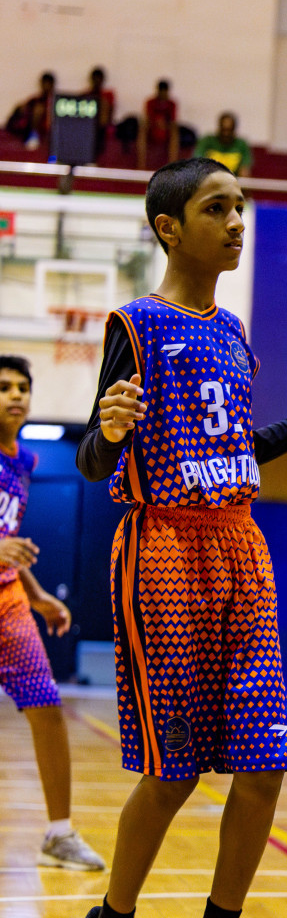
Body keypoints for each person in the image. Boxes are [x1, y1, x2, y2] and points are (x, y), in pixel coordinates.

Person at [74, 157, 287, 918]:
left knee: (264, 761)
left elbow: (230, 445)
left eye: (241, 207)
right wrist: (106, 435)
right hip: (165, 550)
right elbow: (92, 456)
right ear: (169, 228)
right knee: (174, 769)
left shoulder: (235, 332)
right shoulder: (136, 325)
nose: (237, 222)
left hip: (242, 547)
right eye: (216, 209)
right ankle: (113, 912)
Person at [0, 356, 107, 871]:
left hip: (9, 602)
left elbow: (9, 545)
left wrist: (38, 595)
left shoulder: (24, 461)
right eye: (3, 388)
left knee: (47, 707)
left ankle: (59, 833)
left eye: (22, 386)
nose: (15, 395)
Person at [137, 79, 179, 170]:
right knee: (142, 130)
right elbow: (148, 119)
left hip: (166, 132)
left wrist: (164, 125)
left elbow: (173, 122)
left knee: (175, 133)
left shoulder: (172, 104)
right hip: (152, 130)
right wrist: (157, 124)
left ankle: (172, 166)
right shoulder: (150, 102)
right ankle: (141, 165)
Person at [194, 113, 253, 177]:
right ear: (219, 128)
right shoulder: (207, 141)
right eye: (223, 130)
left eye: (229, 130)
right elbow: (197, 165)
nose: (226, 134)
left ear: (234, 130)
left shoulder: (241, 144)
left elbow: (244, 171)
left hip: (233, 183)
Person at [6, 72, 55, 149]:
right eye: (44, 83)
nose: (46, 86)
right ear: (41, 84)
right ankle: (32, 136)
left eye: (48, 83)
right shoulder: (34, 100)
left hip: (49, 131)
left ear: (52, 85)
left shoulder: (56, 101)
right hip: (31, 131)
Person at [85, 68, 115, 162]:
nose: (97, 81)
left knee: (103, 104)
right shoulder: (86, 95)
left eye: (99, 78)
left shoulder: (108, 95)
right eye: (95, 78)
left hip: (104, 127)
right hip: (88, 126)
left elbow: (109, 112)